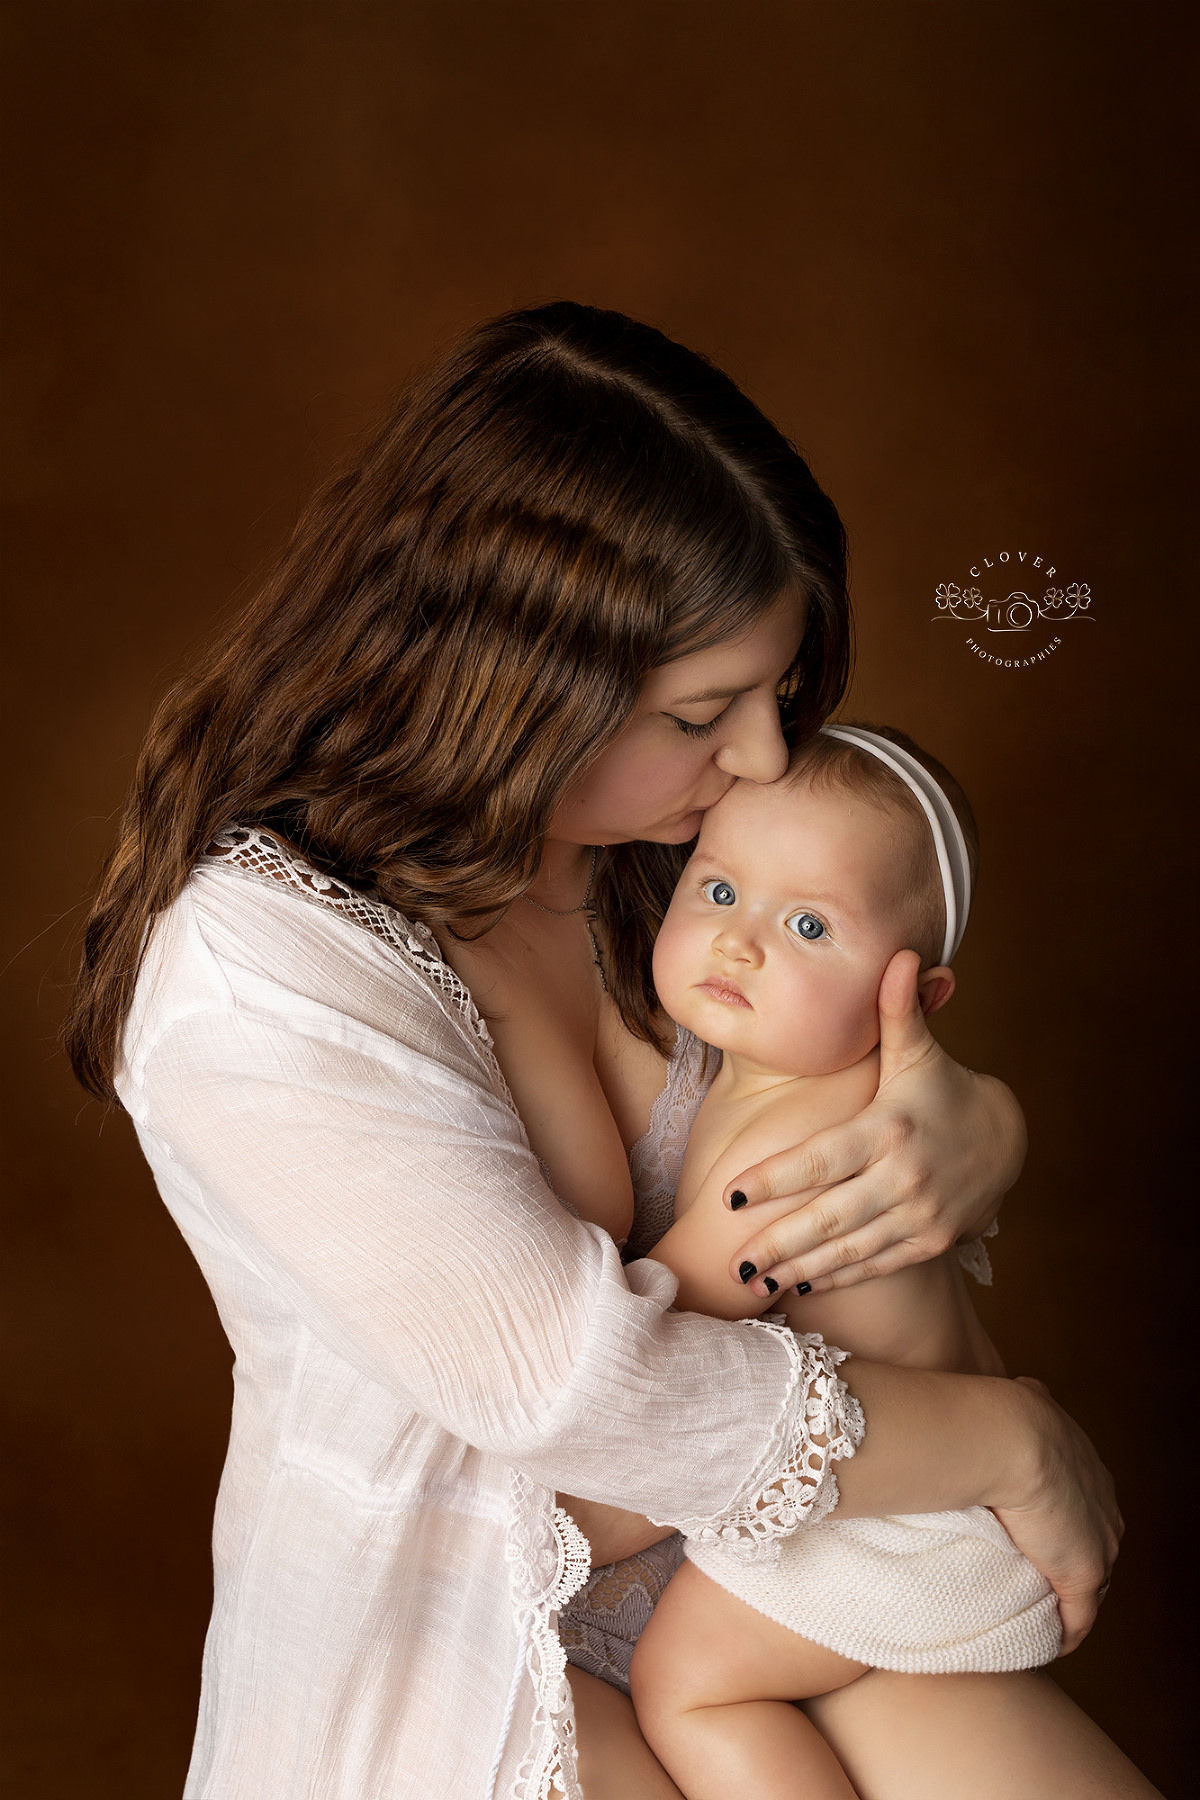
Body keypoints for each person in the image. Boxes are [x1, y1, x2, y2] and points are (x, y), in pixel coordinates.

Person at [65, 303, 1118, 1800]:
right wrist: (1005, 1443)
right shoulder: (263, 974)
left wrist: (972, 1126)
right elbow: (572, 1400)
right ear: (519, 680)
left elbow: (847, 1125)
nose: (761, 757)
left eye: (776, 695)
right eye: (705, 710)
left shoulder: (658, 867)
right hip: (468, 1645)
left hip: (772, 1589)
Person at [621, 726, 1157, 1798]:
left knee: (687, 1682)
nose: (741, 943)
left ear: (913, 999)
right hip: (927, 1484)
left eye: (808, 924)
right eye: (720, 892)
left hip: (915, 1519)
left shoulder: (792, 1158)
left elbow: (638, 1335)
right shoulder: (778, 1080)